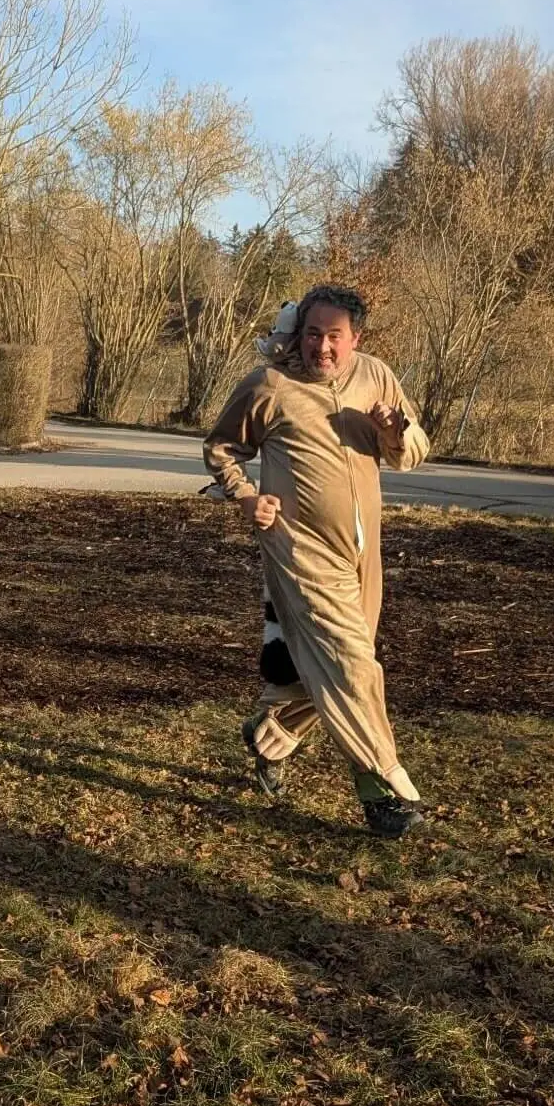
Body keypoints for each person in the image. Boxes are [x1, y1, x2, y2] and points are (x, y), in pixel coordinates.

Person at [203, 284, 431, 838]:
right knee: (353, 666)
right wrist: (246, 497)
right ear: (298, 333)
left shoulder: (376, 376)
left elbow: (413, 449)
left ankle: (269, 733)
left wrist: (394, 432)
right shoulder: (270, 386)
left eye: (334, 337)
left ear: (355, 338)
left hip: (362, 552)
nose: (321, 348)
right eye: (311, 334)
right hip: (299, 549)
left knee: (328, 668)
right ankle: (383, 788)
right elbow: (221, 448)